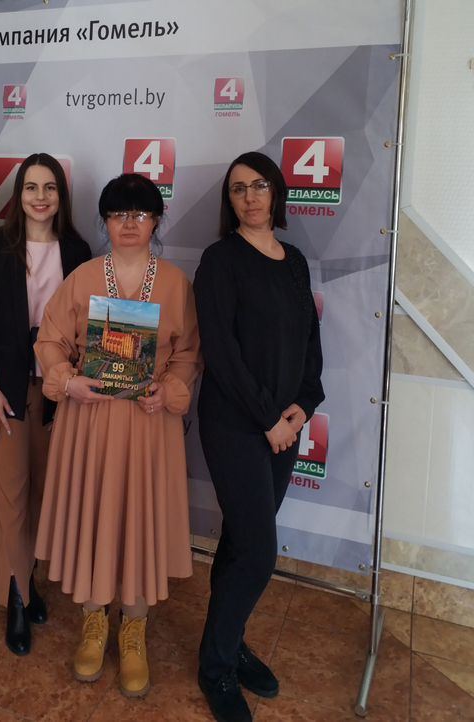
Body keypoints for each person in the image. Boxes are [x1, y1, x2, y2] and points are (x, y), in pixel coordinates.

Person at [34, 173, 201, 697]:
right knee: (95, 516)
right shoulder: (83, 276)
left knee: (139, 520)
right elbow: (50, 341)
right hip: (91, 421)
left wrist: (168, 389)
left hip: (150, 424)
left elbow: (189, 354)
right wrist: (67, 381)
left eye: (141, 214)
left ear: (156, 220)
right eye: (118, 214)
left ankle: (133, 630)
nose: (129, 224)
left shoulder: (174, 283)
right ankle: (93, 622)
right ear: (104, 220)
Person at [192, 151, 324, 722]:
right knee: (259, 551)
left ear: (276, 192)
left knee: (241, 543)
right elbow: (221, 353)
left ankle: (228, 642)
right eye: (238, 188)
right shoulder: (219, 260)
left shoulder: (294, 261)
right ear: (230, 200)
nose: (250, 196)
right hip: (235, 425)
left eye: (259, 185)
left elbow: (309, 342)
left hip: (284, 427)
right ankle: (215, 668)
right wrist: (268, 419)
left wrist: (302, 406)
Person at [0, 154, 91, 656]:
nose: (40, 197)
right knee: (11, 496)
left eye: (50, 188)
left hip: (59, 394)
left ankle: (30, 577)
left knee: (44, 493)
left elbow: (89, 327)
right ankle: (15, 597)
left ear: (61, 195)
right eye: (31, 187)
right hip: (6, 392)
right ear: (18, 195)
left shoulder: (79, 249)